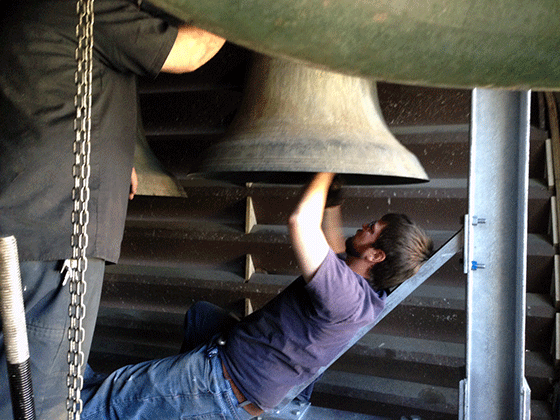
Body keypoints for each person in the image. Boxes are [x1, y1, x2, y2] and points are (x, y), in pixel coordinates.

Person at [0, 1, 225, 418]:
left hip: (20, 221)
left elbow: (46, 106)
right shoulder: (85, 7)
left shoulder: (22, 13)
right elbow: (191, 51)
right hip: (56, 232)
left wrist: (115, 159)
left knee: (10, 382)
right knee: (44, 396)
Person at [79, 172, 433, 419]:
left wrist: (327, 166)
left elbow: (300, 223)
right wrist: (332, 199)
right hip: (237, 374)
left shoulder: (346, 297)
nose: (364, 227)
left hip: (221, 383)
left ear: (376, 256)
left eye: (372, 230)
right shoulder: (363, 288)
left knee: (106, 402)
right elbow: (334, 244)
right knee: (201, 316)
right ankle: (167, 404)